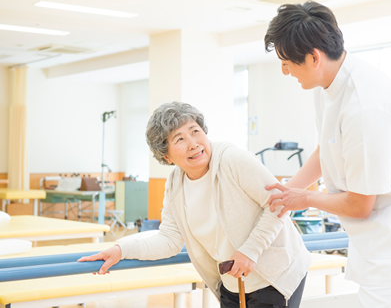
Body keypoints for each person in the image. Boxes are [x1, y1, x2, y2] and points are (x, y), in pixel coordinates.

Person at [263, 1, 391, 308]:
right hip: (377, 238)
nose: (284, 71)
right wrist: (287, 191)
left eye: (287, 62)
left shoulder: (365, 107)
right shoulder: (328, 86)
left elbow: (360, 204)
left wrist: (303, 199)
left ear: (314, 58)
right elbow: (328, 148)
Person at [78, 101, 311, 308]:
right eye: (179, 139)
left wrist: (251, 250)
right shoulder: (174, 184)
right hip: (231, 281)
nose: (193, 143)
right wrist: (122, 250)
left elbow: (279, 204)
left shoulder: (233, 160)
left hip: (275, 275)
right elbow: (168, 240)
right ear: (166, 156)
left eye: (195, 131)